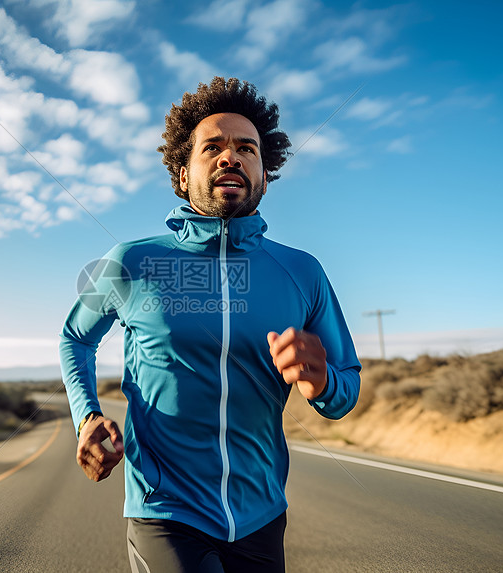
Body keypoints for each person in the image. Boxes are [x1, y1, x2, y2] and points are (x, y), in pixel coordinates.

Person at [59, 77, 361, 572]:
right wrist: (86, 415)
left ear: (264, 176)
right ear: (182, 174)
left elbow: (345, 389)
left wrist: (322, 380)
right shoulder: (132, 261)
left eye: (247, 148)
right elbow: (75, 337)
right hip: (165, 510)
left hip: (262, 516)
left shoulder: (301, 272)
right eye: (213, 147)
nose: (230, 157)